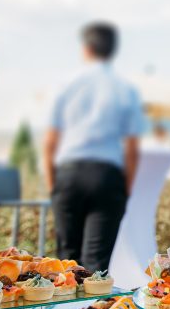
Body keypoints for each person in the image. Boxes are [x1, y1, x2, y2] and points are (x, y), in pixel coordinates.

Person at [43, 22, 146, 272]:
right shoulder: (126, 89)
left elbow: (50, 142)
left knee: (66, 260)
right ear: (112, 51)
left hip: (69, 172)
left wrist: (53, 187)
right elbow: (132, 148)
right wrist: (126, 189)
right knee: (97, 262)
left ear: (86, 48)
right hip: (107, 176)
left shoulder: (65, 84)